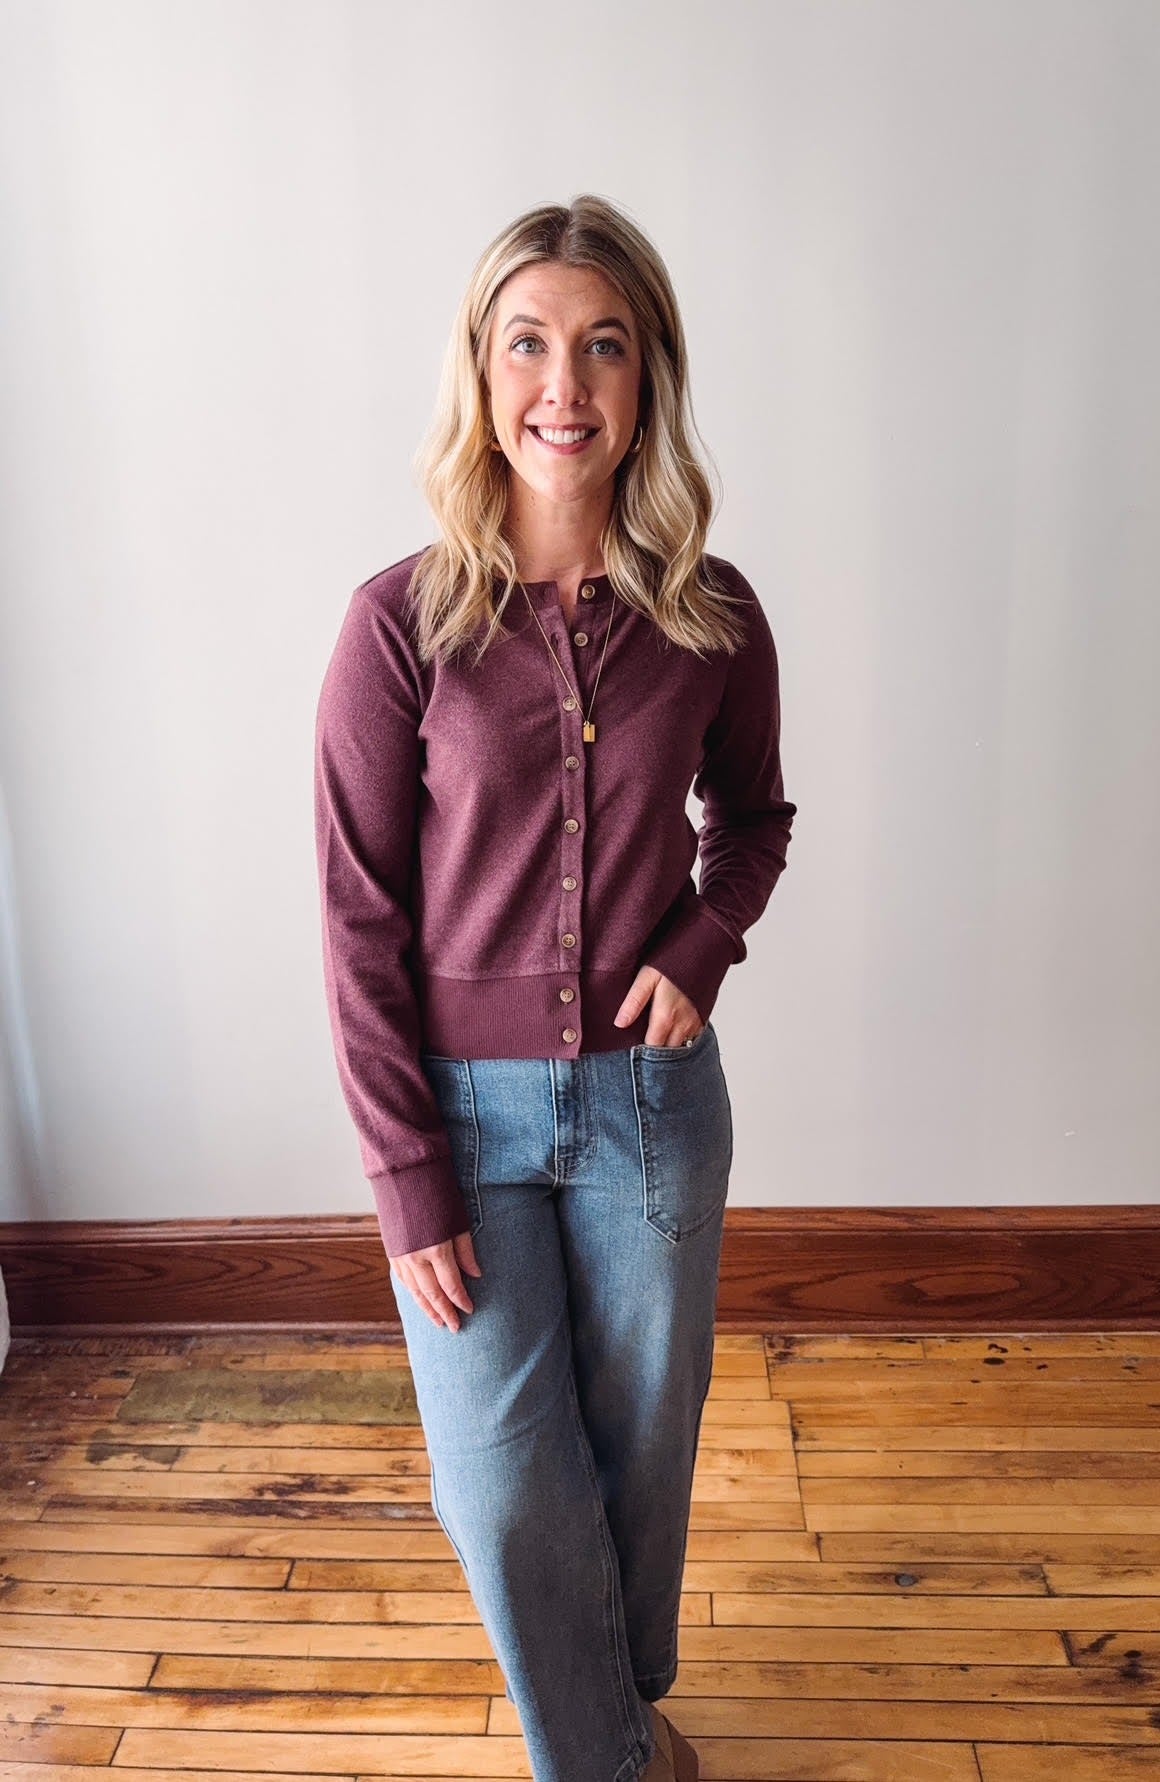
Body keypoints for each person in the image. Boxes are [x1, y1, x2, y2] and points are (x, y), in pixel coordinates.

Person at [313, 193, 796, 1782]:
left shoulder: (712, 616)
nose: (564, 384)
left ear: (647, 376)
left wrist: (702, 940)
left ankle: (614, 1699)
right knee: (508, 1481)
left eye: (603, 345)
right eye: (529, 341)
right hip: (462, 1118)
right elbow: (356, 917)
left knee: (641, 1460)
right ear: (481, 366)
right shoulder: (399, 628)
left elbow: (756, 823)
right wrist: (405, 1173)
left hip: (656, 1110)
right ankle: (610, 1755)